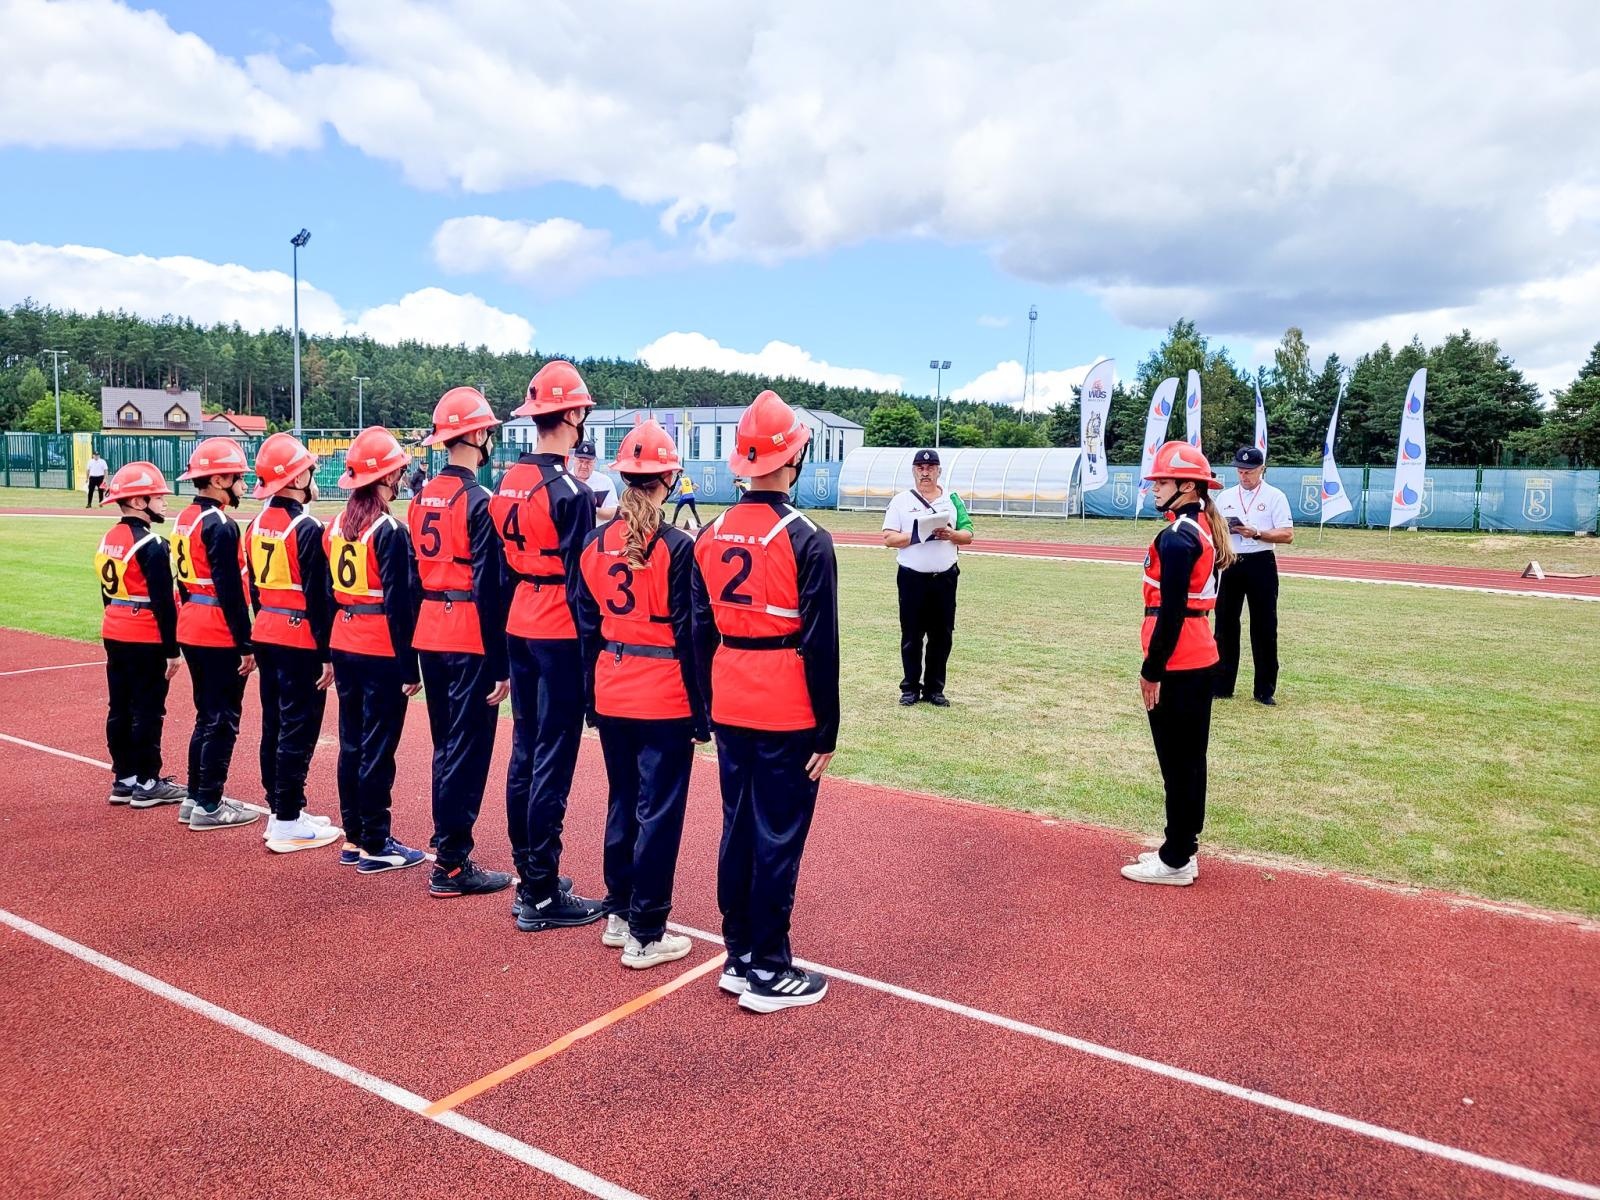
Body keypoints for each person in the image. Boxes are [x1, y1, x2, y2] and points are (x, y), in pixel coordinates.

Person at [692, 390, 839, 1013]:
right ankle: (770, 969)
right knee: (777, 834)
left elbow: (696, 630)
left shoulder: (709, 532)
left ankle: (738, 954)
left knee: (738, 827)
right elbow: (821, 640)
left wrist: (705, 706)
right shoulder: (808, 538)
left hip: (731, 698)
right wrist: (827, 730)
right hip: (785, 704)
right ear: (792, 461)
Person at [576, 420, 709, 968]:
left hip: (612, 685)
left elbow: (587, 627)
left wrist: (590, 697)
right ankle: (647, 931)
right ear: (669, 479)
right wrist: (704, 711)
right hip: (665, 694)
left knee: (622, 801)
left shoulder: (592, 542)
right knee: (659, 811)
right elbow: (693, 631)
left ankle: (620, 912)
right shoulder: (678, 546)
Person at [491, 361, 607, 931]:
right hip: (558, 628)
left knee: (524, 752)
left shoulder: (508, 481)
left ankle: (529, 875)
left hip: (519, 621)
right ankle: (540, 891)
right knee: (552, 760)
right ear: (572, 415)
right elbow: (584, 587)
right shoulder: (569, 490)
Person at [411, 388, 516, 898]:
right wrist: (501, 662)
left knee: (445, 745)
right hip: (468, 631)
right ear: (477, 436)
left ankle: (448, 850)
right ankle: (451, 860)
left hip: (430, 628)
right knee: (467, 749)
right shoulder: (480, 501)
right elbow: (491, 585)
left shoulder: (420, 497)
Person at [1120, 441, 1235, 887]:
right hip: (1196, 655)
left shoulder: (1178, 536)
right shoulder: (1202, 525)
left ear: (1187, 486)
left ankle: (1176, 858)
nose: (1153, 489)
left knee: (1178, 762)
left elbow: (1169, 612)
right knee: (1189, 759)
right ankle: (1182, 847)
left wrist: (1152, 669)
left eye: (1162, 482)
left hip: (1179, 662)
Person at [327, 426, 427, 873]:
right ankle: (376, 840)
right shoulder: (388, 529)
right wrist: (411, 667)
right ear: (384, 478)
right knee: (378, 746)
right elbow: (401, 602)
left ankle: (355, 836)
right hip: (379, 645)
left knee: (352, 743)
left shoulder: (337, 525)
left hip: (344, 638)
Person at [246, 433, 342, 854]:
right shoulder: (305, 528)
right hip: (299, 637)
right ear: (298, 476)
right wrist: (326, 653)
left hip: (267, 630)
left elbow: (252, 587)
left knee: (275, 723)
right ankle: (286, 819)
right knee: (298, 727)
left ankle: (284, 808)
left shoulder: (253, 525)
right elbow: (321, 597)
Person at [171, 438, 259, 832]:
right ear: (220, 479)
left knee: (206, 715)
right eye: (238, 478)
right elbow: (230, 589)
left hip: (191, 622)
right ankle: (209, 801)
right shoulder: (221, 525)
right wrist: (246, 642)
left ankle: (196, 796)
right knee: (223, 717)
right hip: (216, 628)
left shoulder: (185, 518)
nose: (242, 485)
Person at [95, 462, 187, 808]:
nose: (164, 501)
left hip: (114, 629)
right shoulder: (152, 544)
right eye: (157, 496)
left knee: (119, 706)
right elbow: (164, 603)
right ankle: (149, 781)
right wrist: (172, 649)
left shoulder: (109, 539)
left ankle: (124, 777)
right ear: (137, 502)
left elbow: (106, 592)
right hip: (144, 634)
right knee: (149, 708)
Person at [880, 449, 974, 706]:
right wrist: (917, 534)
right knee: (911, 634)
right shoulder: (900, 501)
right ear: (913, 471)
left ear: (939, 471)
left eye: (931, 467)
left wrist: (951, 534)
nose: (925, 472)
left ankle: (935, 689)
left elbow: (968, 534)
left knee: (941, 635)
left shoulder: (953, 499)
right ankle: (910, 687)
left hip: (944, 578)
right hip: (912, 578)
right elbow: (888, 538)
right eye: (920, 467)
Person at [1213, 447, 1293, 706]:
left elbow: (1287, 535)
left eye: (1249, 471)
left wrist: (1257, 533)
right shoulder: (1225, 496)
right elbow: (1213, 528)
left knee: (1264, 626)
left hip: (1261, 562)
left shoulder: (1275, 496)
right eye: (1240, 470)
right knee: (1225, 624)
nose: (1244, 475)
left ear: (1262, 469)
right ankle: (1223, 684)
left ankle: (1264, 689)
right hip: (1231, 560)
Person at [571, 440, 618, 520]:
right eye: (580, 461)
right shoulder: (564, 479)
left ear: (594, 462)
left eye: (588, 462)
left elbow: (613, 511)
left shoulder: (605, 481)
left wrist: (591, 509)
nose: (584, 466)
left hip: (597, 530)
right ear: (574, 459)